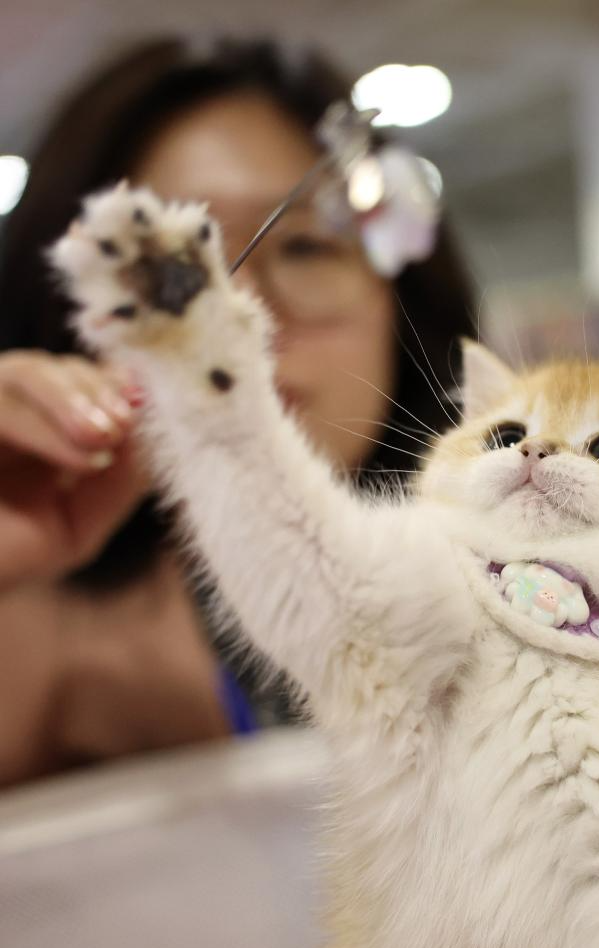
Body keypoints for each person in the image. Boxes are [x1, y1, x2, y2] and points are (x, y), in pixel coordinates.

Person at [0, 37, 475, 787]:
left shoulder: (509, 574)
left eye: (307, 249)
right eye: (167, 267)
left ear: (406, 304)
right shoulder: (27, 604)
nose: (241, 313)